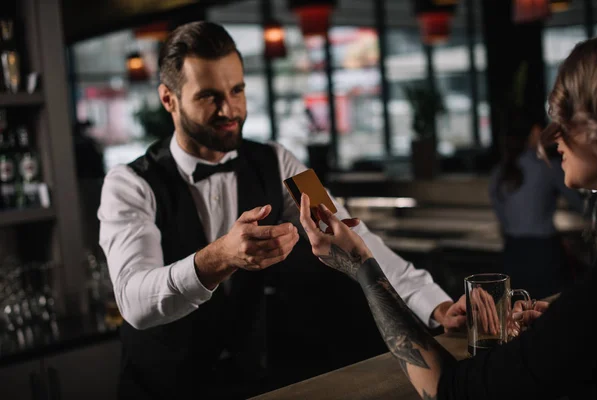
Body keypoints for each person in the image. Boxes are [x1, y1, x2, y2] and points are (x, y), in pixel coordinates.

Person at [97, 21, 466, 399]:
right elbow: (134, 301)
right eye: (209, 96)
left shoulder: (278, 161)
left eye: (237, 90)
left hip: (251, 383)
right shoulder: (128, 184)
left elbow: (351, 236)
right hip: (159, 389)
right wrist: (219, 257)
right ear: (168, 99)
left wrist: (434, 305)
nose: (230, 109)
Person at [299, 36, 597, 399]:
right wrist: (558, 318)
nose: (552, 139)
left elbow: (452, 390)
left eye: (563, 117)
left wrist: (360, 265)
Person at [489, 112, 584, 299]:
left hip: (512, 253)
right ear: (534, 132)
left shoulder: (498, 172)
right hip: (543, 254)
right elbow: (580, 203)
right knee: (550, 314)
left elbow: (501, 216)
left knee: (517, 315)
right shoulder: (548, 167)